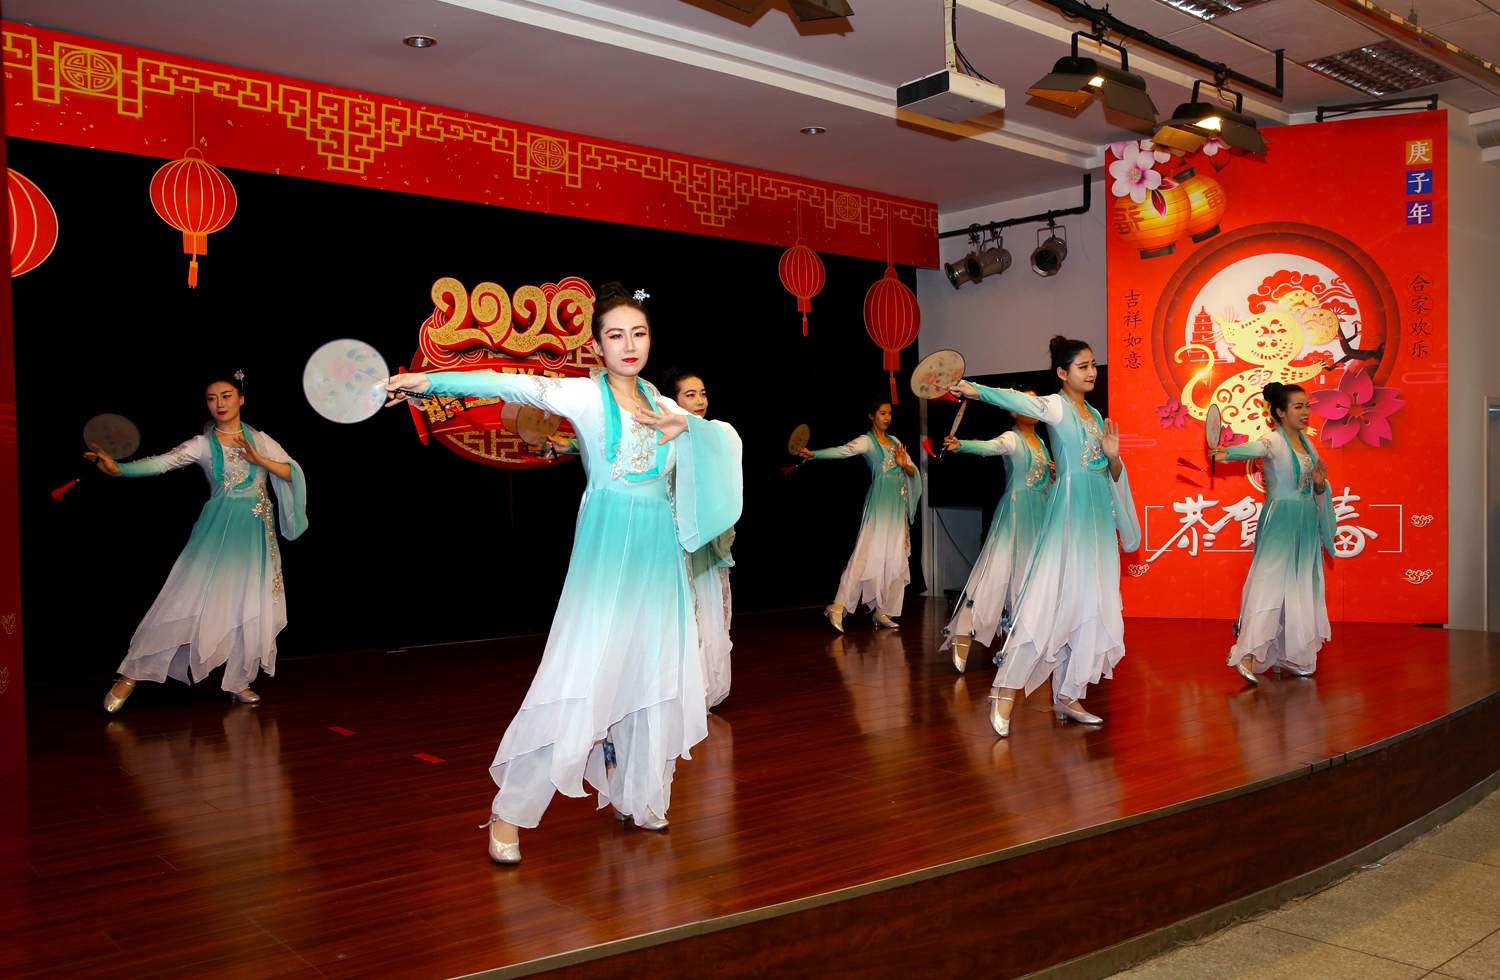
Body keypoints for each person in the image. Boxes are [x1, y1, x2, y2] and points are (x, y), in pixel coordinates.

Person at [384, 283, 742, 865]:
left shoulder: (664, 403)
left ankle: (640, 794)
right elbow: (509, 383)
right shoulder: (582, 396)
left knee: (653, 670)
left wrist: (687, 430)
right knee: (578, 672)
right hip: (607, 545)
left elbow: (720, 442)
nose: (629, 344)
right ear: (598, 345)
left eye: (639, 333)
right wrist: (431, 382)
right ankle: (510, 814)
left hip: (658, 551)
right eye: (616, 335)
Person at [949, 337, 1140, 736]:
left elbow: (1111, 474)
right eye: (1083, 366)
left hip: (1097, 519)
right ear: (1062, 372)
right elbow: (1017, 400)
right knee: (1047, 601)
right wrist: (974, 389)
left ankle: (1068, 695)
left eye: (1093, 365)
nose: (1091, 372)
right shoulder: (1055, 405)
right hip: (1070, 511)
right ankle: (1004, 690)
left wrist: (1114, 456)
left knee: (1092, 604)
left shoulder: (1095, 413)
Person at [93, 372, 308, 713]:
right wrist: (120, 470)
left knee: (249, 602)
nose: (219, 403)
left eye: (226, 395)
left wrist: (259, 460)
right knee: (182, 596)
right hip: (217, 530)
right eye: (211, 398)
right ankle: (131, 674)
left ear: (241, 399)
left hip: (255, 533)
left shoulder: (261, 440)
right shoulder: (203, 443)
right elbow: (162, 462)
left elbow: (292, 471)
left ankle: (238, 680)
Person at [1212, 382, 1334, 684]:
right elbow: (1256, 449)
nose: (1305, 412)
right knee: (1269, 583)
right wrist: (1227, 452)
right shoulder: (1274, 441)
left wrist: (1320, 484)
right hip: (1281, 519)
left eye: (1306, 406)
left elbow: (1314, 486)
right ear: (1279, 412)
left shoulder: (1307, 443)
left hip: (1306, 522)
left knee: (1299, 585)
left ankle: (1289, 655)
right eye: (1298, 407)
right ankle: (1247, 653)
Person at [939, 391, 1054, 673]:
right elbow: (990, 447)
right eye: (1024, 403)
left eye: (1036, 403)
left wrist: (1052, 475)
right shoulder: (1012, 438)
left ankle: (1020, 641)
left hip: (1039, 516)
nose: (1032, 408)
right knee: (995, 573)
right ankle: (963, 633)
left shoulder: (1041, 442)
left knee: (1029, 578)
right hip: (1015, 514)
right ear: (1013, 411)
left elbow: (1043, 482)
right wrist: (962, 445)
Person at [799, 398, 920, 631]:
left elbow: (913, 471)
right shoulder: (866, 441)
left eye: (889, 413)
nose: (887, 417)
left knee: (896, 557)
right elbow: (842, 451)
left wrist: (904, 464)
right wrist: (814, 454)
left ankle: (883, 611)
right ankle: (838, 605)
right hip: (880, 504)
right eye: (882, 413)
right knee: (864, 555)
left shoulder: (896, 441)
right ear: (871, 416)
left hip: (898, 506)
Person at [659, 367, 738, 708]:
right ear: (672, 401)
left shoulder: (717, 432)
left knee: (708, 611)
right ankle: (681, 695)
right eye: (690, 395)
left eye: (702, 393)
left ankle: (703, 691)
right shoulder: (663, 436)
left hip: (706, 541)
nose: (700, 400)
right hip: (677, 540)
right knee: (683, 614)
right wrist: (570, 444)